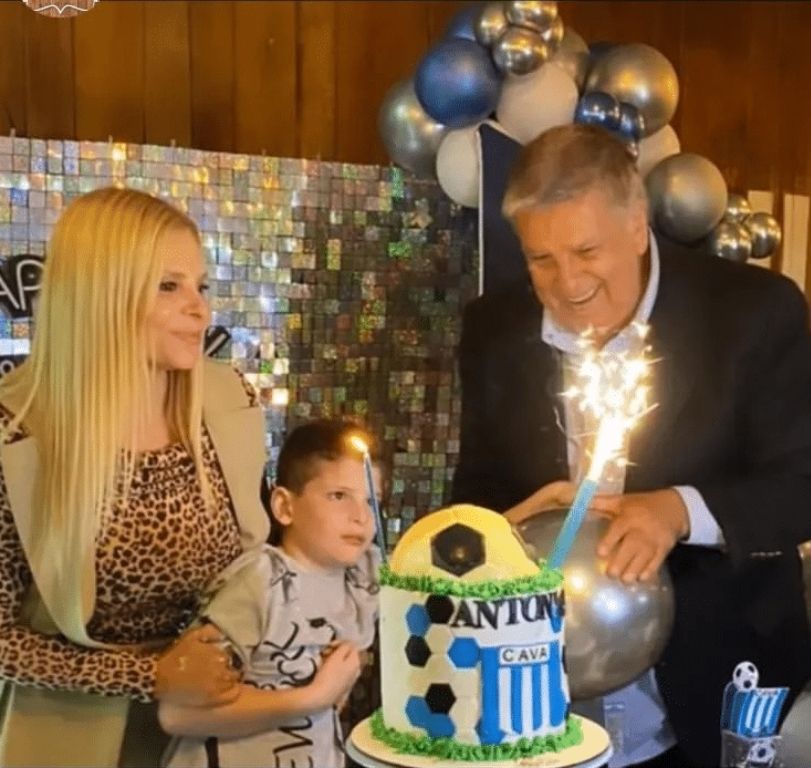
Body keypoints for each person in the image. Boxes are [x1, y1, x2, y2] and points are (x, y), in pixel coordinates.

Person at [451, 123, 811, 767]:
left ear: (638, 224)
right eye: (541, 259)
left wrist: (679, 511)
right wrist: (510, 527)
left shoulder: (754, 313)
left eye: (587, 250)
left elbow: (801, 486)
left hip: (715, 687)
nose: (567, 283)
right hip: (546, 701)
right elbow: (477, 494)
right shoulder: (493, 329)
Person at [0, 187, 270, 767]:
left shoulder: (231, 401)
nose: (200, 310)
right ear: (100, 293)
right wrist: (150, 675)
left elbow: (262, 561)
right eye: (169, 286)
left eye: (201, 287)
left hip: (222, 729)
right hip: (72, 739)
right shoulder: (12, 434)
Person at [160, 419, 382, 768]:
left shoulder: (362, 583)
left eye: (371, 500)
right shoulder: (259, 583)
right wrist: (312, 698)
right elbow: (178, 714)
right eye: (338, 496)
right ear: (284, 507)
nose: (361, 516)